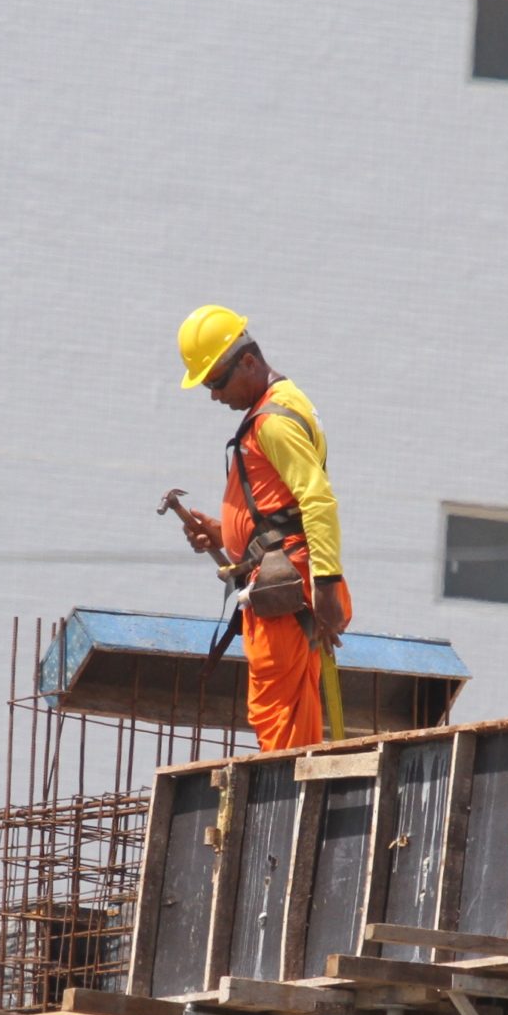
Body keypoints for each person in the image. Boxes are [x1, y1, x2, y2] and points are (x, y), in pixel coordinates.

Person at [165, 304, 353, 750]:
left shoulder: (272, 420)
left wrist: (325, 583)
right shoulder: (279, 407)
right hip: (280, 576)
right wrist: (227, 535)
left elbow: (317, 499)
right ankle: (296, 802)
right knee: (292, 710)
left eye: (216, 381)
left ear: (248, 362)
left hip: (284, 587)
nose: (213, 395)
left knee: (276, 712)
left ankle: (284, 807)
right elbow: (282, 507)